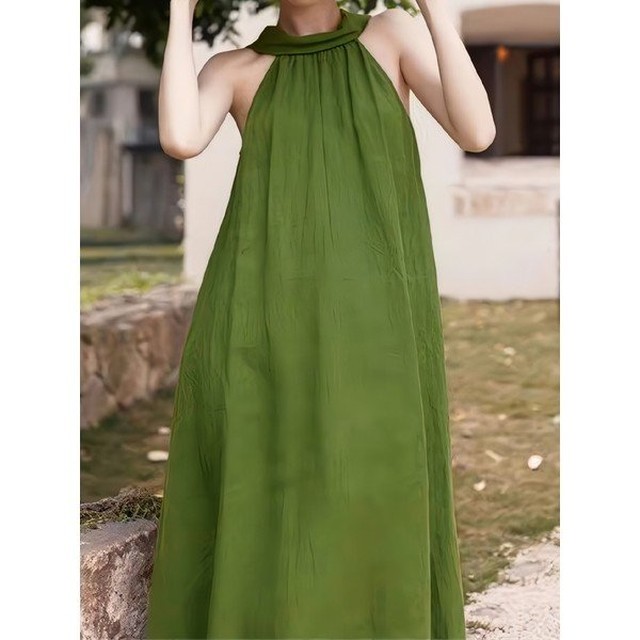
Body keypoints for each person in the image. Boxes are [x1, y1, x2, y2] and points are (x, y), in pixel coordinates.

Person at [146, 1, 495, 639]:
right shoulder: (236, 68)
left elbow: (477, 132)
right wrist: (177, 13)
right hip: (261, 316)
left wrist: (435, 11)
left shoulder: (391, 35)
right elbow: (180, 138)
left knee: (375, 485)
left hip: (381, 318)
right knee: (275, 487)